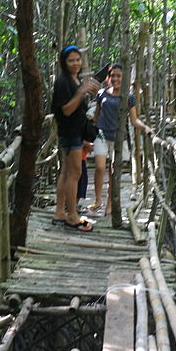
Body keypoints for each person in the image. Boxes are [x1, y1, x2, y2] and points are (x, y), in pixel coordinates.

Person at [89, 63, 153, 216]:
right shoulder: (102, 94)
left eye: (119, 76)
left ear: (123, 78)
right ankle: (98, 200)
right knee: (99, 167)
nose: (115, 79)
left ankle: (109, 205)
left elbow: (134, 120)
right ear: (108, 78)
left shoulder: (128, 98)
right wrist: (90, 133)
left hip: (119, 138)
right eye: (113, 76)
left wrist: (145, 128)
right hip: (101, 135)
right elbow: (96, 116)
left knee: (113, 171)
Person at [51, 45, 100, 231]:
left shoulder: (75, 78)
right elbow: (66, 109)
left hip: (75, 131)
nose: (75, 63)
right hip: (70, 132)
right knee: (75, 174)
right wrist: (81, 92)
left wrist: (86, 92)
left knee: (66, 172)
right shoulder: (63, 81)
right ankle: (72, 216)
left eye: (77, 60)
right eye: (71, 60)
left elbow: (78, 104)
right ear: (64, 62)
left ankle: (59, 212)